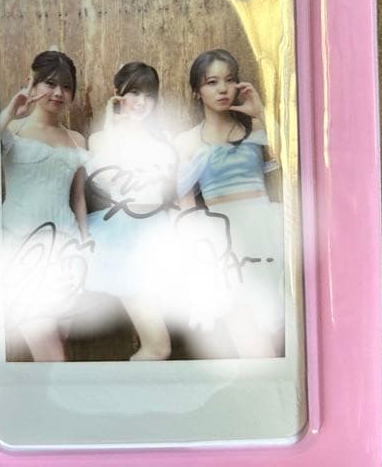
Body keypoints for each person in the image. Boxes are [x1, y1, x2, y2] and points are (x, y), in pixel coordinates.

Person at [173, 49, 284, 357]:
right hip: (224, 241)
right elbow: (185, 205)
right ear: (197, 91)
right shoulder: (186, 142)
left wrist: (260, 113)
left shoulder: (257, 130)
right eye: (212, 82)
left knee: (278, 340)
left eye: (229, 80)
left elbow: (294, 165)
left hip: (266, 233)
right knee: (255, 348)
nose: (223, 89)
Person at [0, 49, 89, 362]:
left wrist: (85, 242)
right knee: (52, 354)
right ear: (32, 83)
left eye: (66, 86)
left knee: (56, 348)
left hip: (66, 249)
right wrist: (11, 112)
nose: (58, 93)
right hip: (21, 248)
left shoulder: (77, 140)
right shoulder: (13, 129)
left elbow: (78, 197)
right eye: (50, 83)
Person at [84, 62, 175, 360]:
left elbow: (169, 189)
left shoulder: (163, 140)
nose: (141, 102)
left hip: (158, 235)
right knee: (159, 347)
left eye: (149, 95)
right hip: (124, 239)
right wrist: (113, 128)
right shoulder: (102, 139)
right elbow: (105, 179)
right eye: (134, 92)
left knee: (157, 344)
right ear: (117, 94)